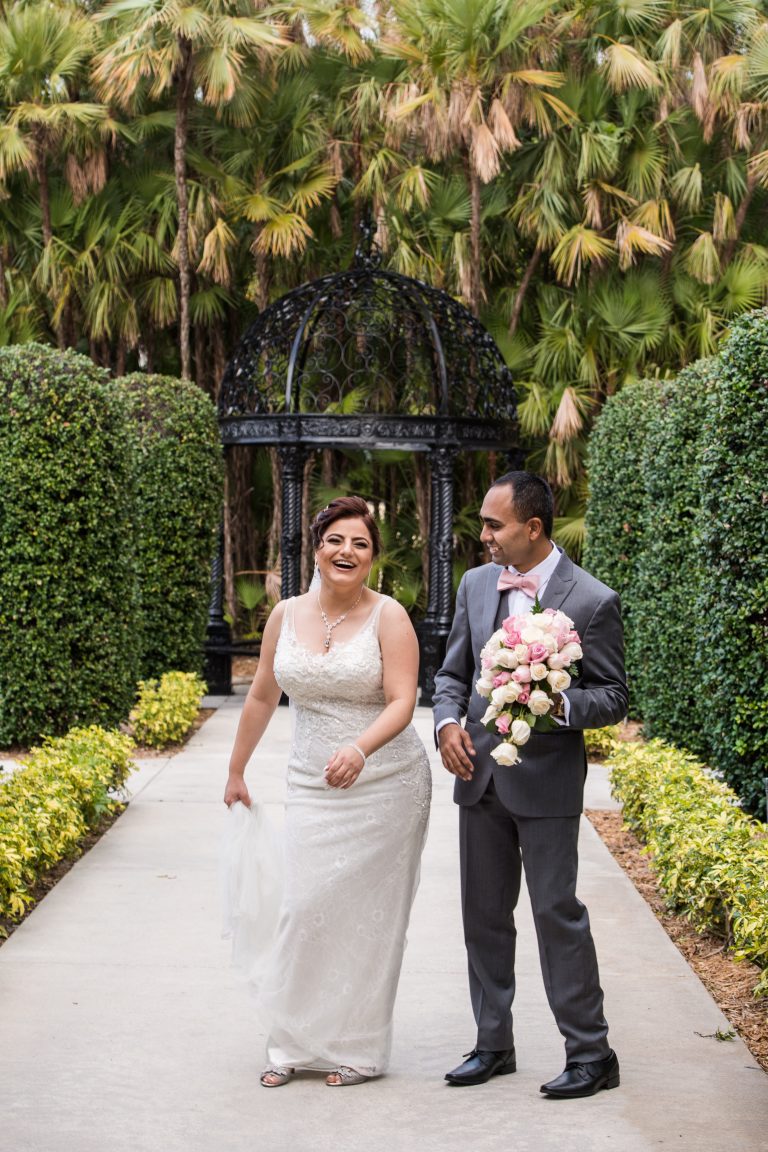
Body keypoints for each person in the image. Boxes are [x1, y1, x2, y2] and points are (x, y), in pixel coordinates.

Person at [224, 495, 431, 1088]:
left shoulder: (390, 617)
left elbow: (402, 700)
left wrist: (361, 748)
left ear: (373, 558)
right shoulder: (285, 614)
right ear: (317, 546)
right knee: (304, 907)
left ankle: (359, 1050)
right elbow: (263, 694)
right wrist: (237, 771)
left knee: (371, 918)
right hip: (311, 783)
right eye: (337, 540)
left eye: (360, 544)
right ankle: (290, 1044)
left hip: (386, 783)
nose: (347, 551)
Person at [433, 471, 628, 1098]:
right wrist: (444, 727)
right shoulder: (474, 584)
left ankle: (592, 1053)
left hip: (546, 784)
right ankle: (494, 1044)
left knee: (555, 913)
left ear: (533, 528)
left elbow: (614, 694)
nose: (484, 536)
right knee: (483, 916)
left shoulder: (592, 600)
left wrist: (556, 703)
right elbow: (451, 675)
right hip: (479, 775)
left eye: (494, 525)